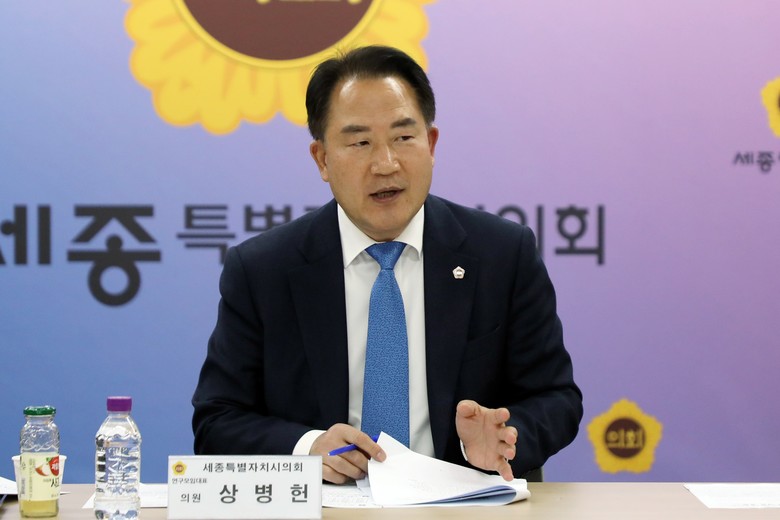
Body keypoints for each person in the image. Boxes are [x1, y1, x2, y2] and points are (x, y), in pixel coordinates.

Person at [192, 45, 582, 484]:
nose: (385, 164)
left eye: (403, 137)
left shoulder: (502, 254)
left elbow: (555, 397)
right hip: (327, 506)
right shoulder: (262, 270)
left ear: (431, 144)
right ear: (322, 159)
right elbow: (217, 420)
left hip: (463, 503)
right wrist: (308, 449)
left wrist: (504, 437)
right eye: (360, 142)